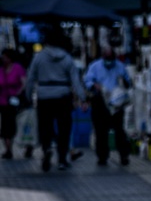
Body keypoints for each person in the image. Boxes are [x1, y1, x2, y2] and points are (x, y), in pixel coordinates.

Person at [25, 27, 86, 172]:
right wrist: (82, 97)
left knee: (45, 126)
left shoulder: (39, 57)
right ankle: (62, 159)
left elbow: (30, 78)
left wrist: (28, 96)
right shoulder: (66, 57)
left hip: (44, 96)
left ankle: (46, 149)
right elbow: (75, 80)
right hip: (63, 96)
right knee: (64, 128)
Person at [83, 45, 132, 166]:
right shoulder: (95, 66)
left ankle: (124, 155)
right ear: (103, 57)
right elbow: (87, 80)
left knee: (119, 130)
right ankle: (102, 156)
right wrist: (95, 85)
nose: (109, 61)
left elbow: (128, 81)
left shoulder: (119, 66)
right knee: (101, 131)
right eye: (107, 58)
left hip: (116, 102)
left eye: (111, 58)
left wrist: (124, 82)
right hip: (100, 101)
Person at [0, 48, 26, 159]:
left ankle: (25, 145)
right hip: (3, 100)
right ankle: (8, 149)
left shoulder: (17, 68)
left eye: (5, 56)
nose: (3, 58)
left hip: (15, 100)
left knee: (17, 123)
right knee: (5, 124)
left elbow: (24, 82)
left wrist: (18, 93)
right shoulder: (1, 69)